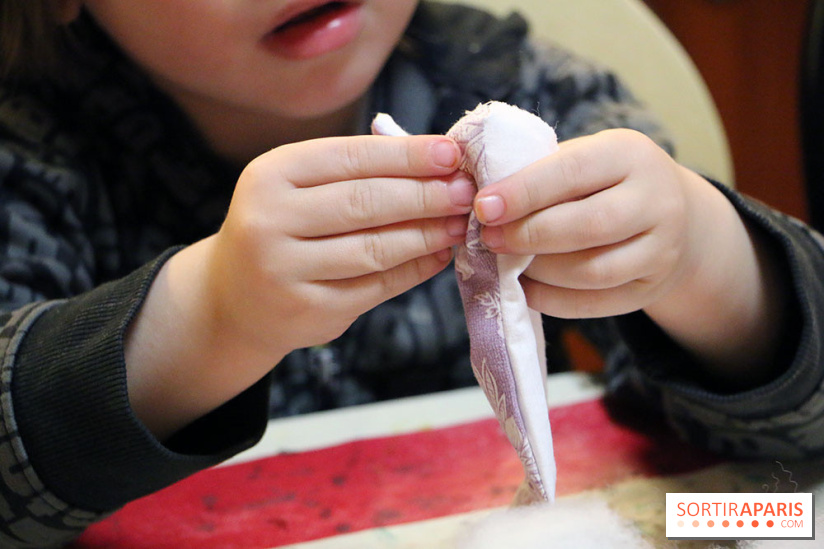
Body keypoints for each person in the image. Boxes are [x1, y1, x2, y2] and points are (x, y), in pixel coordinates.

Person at [0, 0, 821, 546]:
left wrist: (709, 263)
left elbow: (791, 464)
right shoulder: (31, 155)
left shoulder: (524, 92)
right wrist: (206, 318)